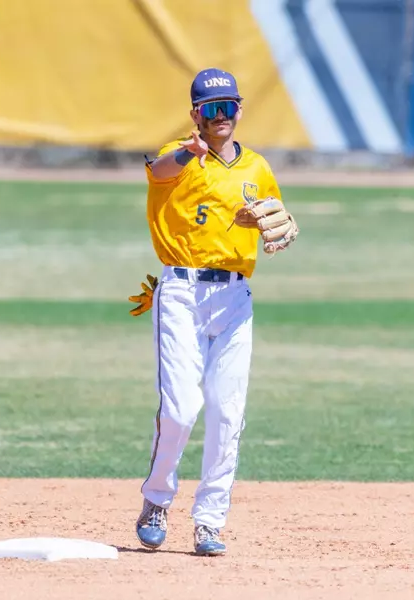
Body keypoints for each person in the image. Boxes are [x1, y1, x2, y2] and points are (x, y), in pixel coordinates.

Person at [126, 67, 300, 556]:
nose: (221, 117)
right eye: (211, 109)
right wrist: (189, 151)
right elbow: (159, 172)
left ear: (240, 111)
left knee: (228, 413)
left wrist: (277, 229)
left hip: (234, 297)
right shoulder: (176, 156)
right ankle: (157, 498)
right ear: (196, 116)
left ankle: (209, 520)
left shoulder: (257, 168)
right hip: (181, 292)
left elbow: (275, 220)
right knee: (181, 410)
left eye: (228, 108)